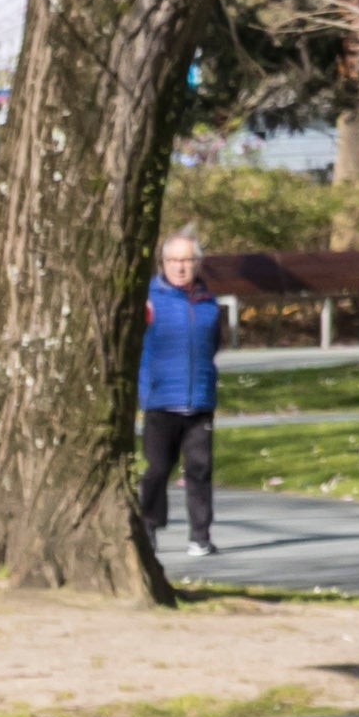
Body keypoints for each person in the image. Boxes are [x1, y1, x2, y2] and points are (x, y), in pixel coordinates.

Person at [135, 227, 227, 559]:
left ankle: (200, 536)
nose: (180, 267)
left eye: (187, 260)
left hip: (199, 400)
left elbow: (213, 344)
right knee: (157, 468)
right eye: (174, 260)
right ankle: (148, 527)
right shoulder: (148, 298)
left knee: (200, 468)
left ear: (198, 263)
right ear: (163, 262)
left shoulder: (208, 302)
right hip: (160, 400)